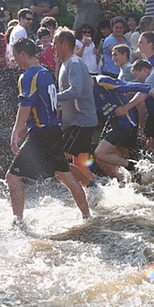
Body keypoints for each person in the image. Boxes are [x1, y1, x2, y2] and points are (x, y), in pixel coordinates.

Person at [5, 38, 90, 223]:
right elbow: (45, 106)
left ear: (22, 54)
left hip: (41, 133)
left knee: (12, 177)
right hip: (54, 129)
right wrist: (28, 127)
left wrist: (15, 132)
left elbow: (25, 106)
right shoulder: (45, 72)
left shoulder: (28, 76)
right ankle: (87, 216)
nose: (14, 60)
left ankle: (18, 222)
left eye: (15, 55)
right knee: (64, 175)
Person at [53, 29, 98, 188]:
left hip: (81, 121)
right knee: (80, 163)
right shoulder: (66, 63)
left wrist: (53, 97)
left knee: (60, 159)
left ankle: (89, 187)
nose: (53, 47)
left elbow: (76, 90)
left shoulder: (74, 63)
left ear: (65, 45)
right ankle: (96, 192)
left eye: (55, 43)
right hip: (76, 121)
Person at [92, 74, 152, 181]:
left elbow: (129, 86)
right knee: (102, 157)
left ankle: (132, 168)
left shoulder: (102, 81)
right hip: (112, 122)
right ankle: (125, 180)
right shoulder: (84, 90)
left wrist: (151, 90)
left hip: (125, 122)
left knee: (100, 153)